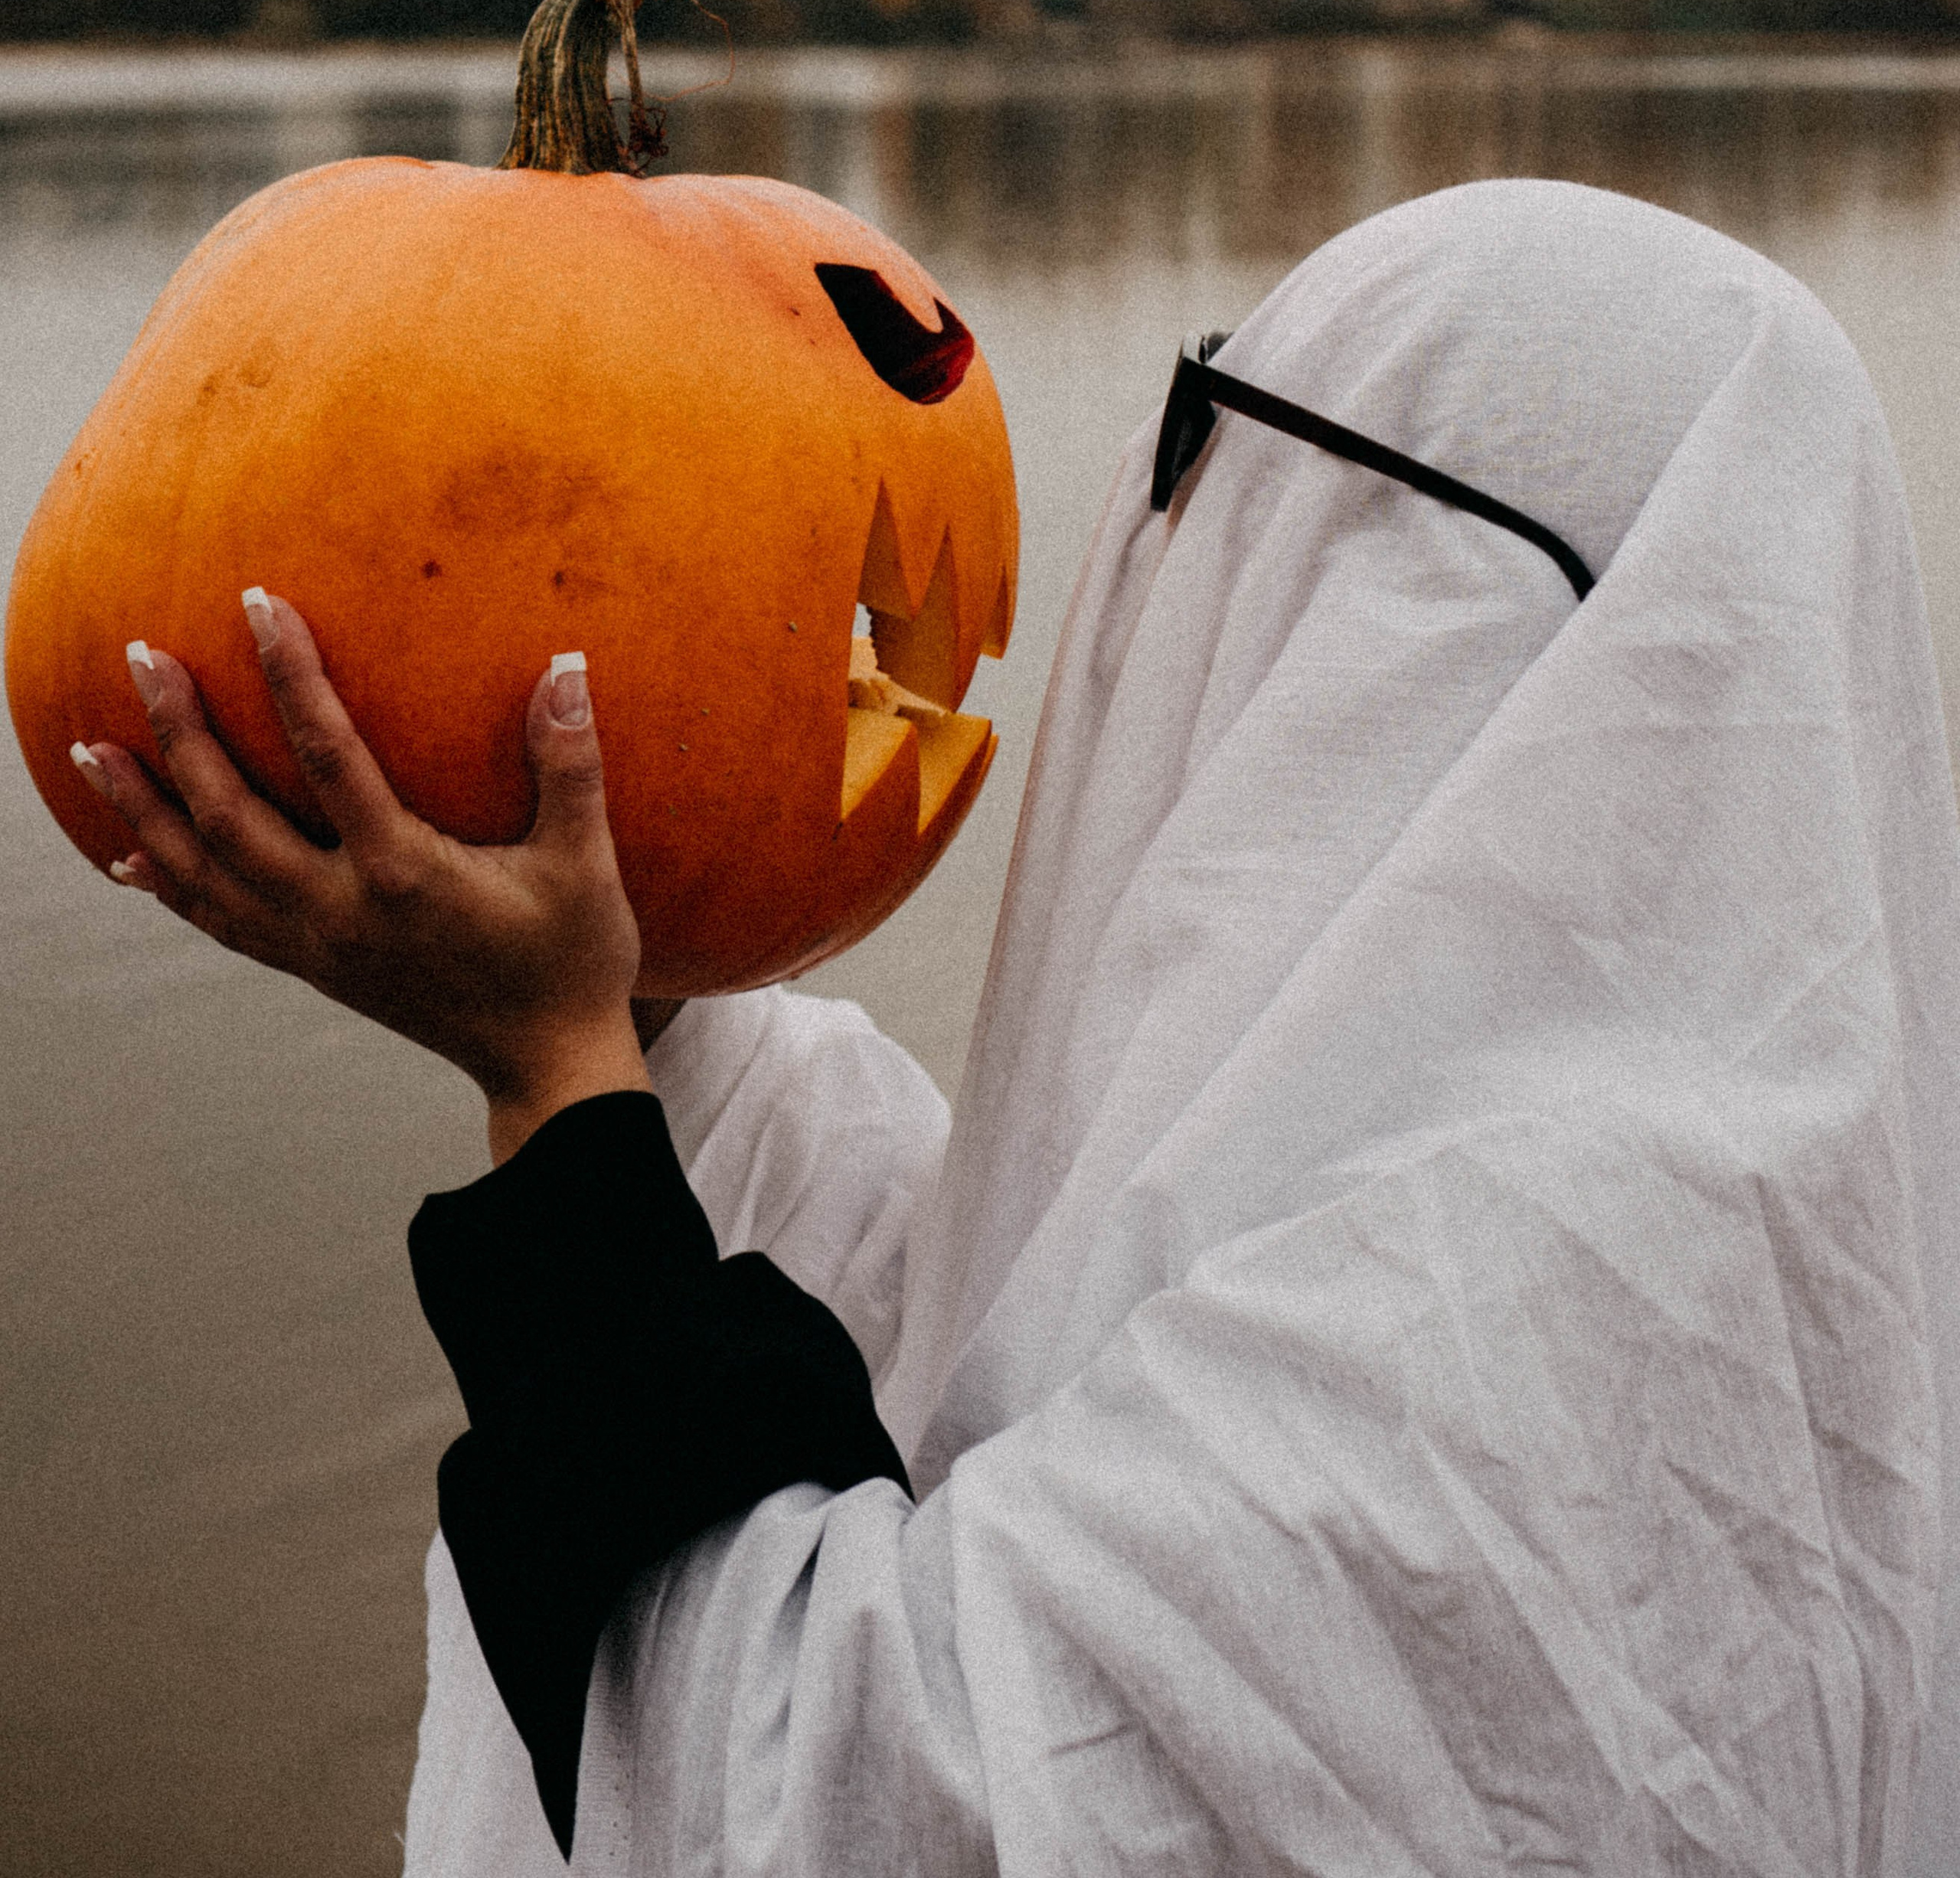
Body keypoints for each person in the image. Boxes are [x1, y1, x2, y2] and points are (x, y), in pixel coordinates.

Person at [72, 178, 1960, 1876]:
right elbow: (991, 1346)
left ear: (1394, 595)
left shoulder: (1495, 1311)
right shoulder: (1732, 1204)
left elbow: (856, 1799)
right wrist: (606, 996)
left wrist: (562, 1094)